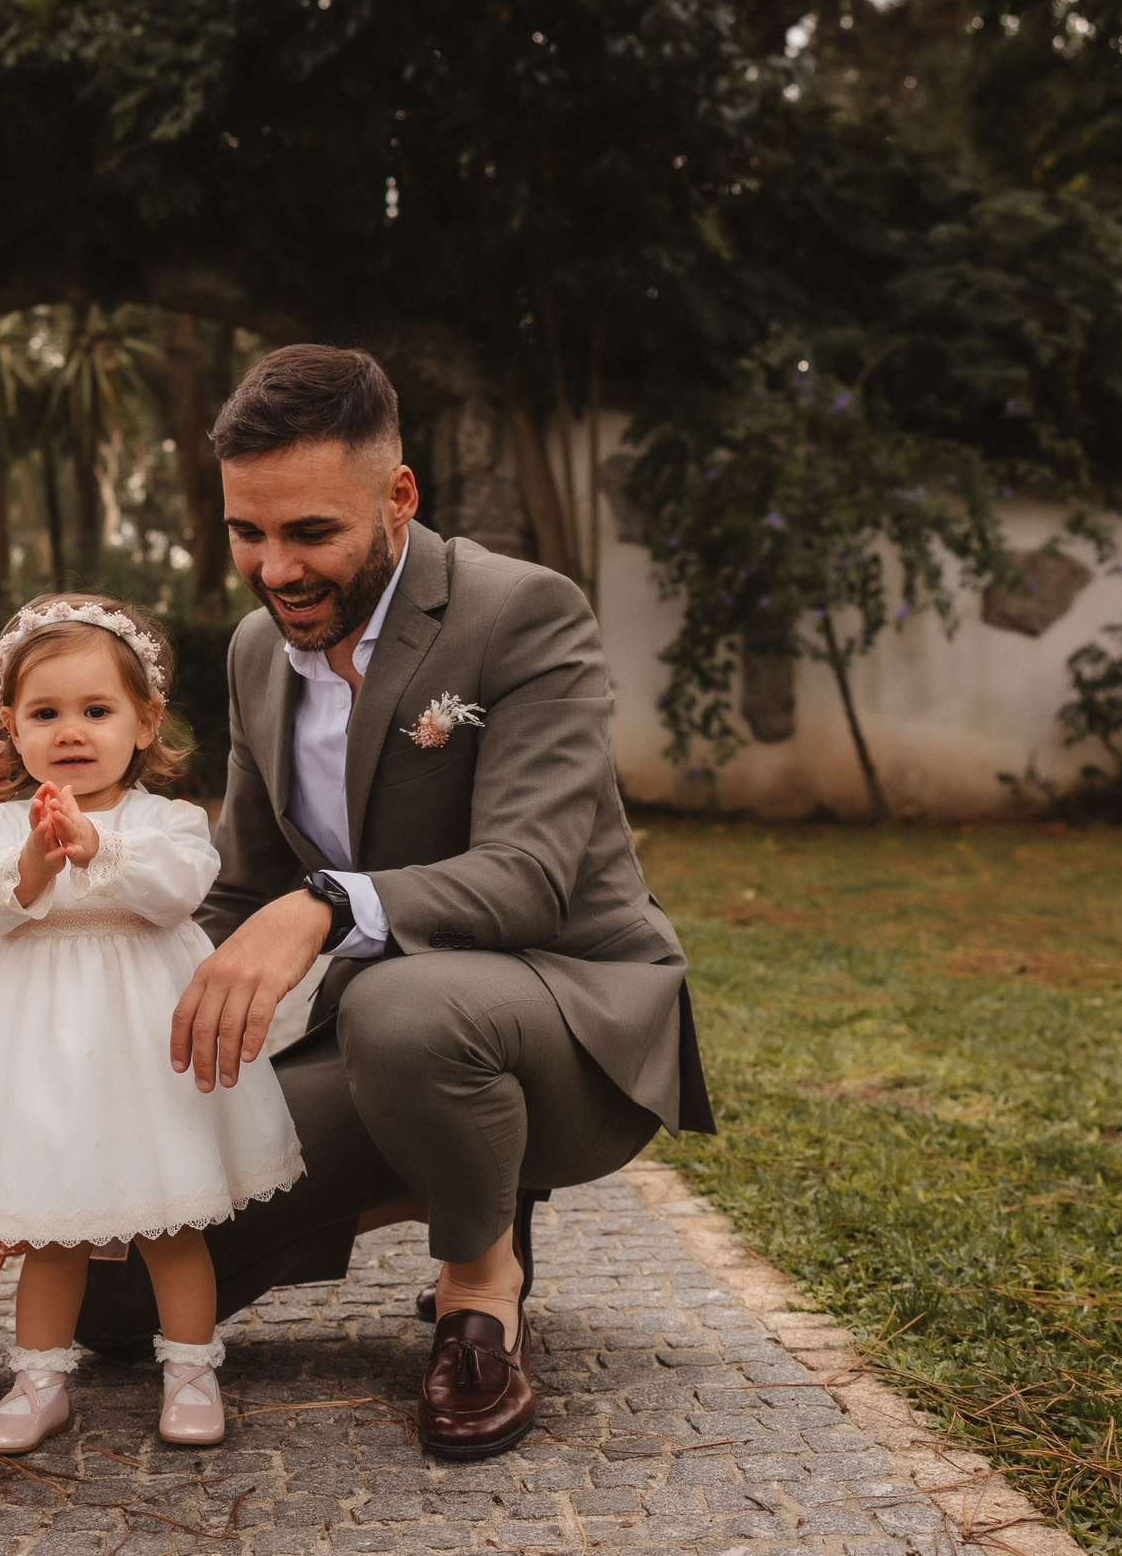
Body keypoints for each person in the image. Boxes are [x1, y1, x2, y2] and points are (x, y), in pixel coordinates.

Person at [62, 344, 716, 1463]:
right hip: (398, 1044)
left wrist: (321, 906)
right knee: (109, 1304)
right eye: (247, 534)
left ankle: (481, 1281)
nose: (275, 570)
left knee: (404, 1011)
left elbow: (529, 875)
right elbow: (239, 886)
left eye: (310, 533)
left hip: (569, 1025)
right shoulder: (257, 655)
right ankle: (443, 1166)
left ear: (397, 498)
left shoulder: (522, 614)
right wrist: (109, 1008)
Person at [0, 596, 303, 1452]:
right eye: (45, 713)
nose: (71, 731)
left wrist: (98, 848)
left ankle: (192, 1369)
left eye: (97, 711)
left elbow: (178, 889)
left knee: (171, 1220)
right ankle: (38, 1380)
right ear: (10, 727)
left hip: (144, 1045)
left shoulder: (164, 820)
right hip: (39, 1050)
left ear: (145, 720)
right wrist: (31, 860)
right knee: (50, 1228)